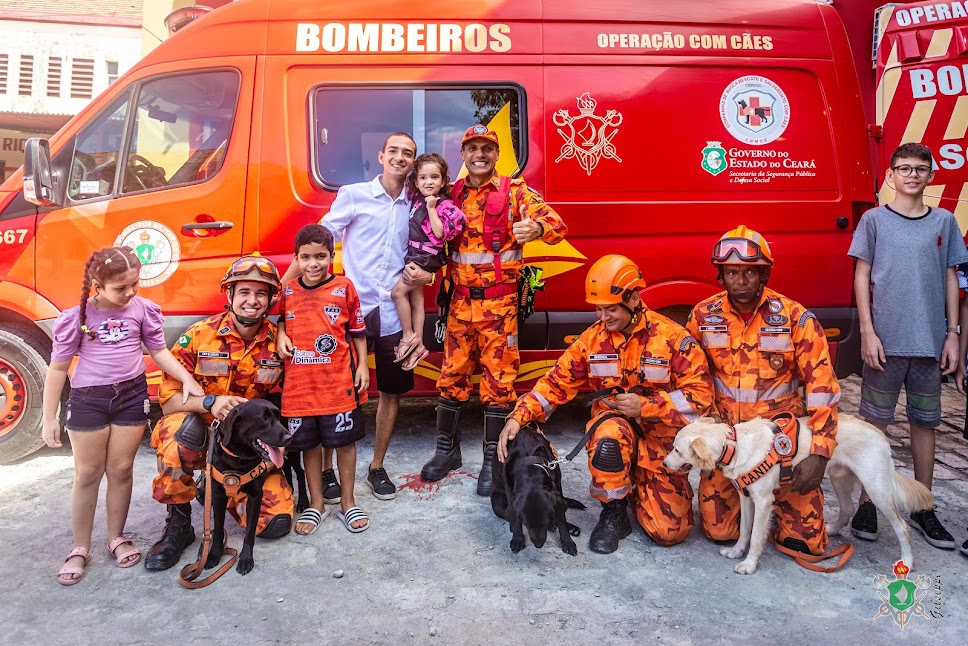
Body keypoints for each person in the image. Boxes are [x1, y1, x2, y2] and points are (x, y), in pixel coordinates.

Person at [498, 255, 714, 553]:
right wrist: (517, 417)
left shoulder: (673, 339)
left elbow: (700, 397)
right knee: (608, 440)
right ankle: (614, 511)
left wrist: (647, 406)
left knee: (669, 533)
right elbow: (554, 384)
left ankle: (642, 486)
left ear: (635, 299)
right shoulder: (592, 341)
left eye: (610, 309)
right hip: (615, 429)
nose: (603, 317)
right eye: (598, 309)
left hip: (661, 441)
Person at [42, 246, 204, 585]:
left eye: (135, 284)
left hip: (131, 396)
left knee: (120, 470)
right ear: (97, 285)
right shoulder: (78, 317)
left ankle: (116, 537)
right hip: (89, 400)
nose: (130, 293)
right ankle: (80, 547)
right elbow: (57, 369)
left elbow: (158, 351)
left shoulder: (143, 310)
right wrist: (49, 417)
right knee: (88, 473)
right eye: (121, 288)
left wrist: (187, 377)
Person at [421, 124, 568, 496]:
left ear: (497, 153)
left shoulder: (515, 191)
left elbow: (557, 225)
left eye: (487, 148)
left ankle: (492, 459)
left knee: (498, 385)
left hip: (499, 306)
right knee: (451, 376)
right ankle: (447, 451)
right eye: (472, 148)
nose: (480, 155)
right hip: (459, 303)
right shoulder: (450, 192)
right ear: (463, 154)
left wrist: (535, 228)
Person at [283, 132, 426, 502]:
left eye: (407, 154)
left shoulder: (417, 203)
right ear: (381, 156)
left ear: (412, 162)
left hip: (396, 312)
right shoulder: (354, 195)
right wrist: (280, 293)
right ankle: (329, 472)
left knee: (391, 393)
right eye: (393, 151)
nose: (399, 158)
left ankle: (377, 467)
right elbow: (317, 243)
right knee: (335, 392)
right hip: (347, 309)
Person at [686, 225, 841, 558]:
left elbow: (823, 389)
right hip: (727, 446)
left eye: (749, 272)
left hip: (781, 447)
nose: (740, 280)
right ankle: (753, 511)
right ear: (721, 275)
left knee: (803, 545)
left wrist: (819, 453)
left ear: (765, 274)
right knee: (719, 532)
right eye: (731, 272)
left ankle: (772, 509)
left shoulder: (796, 318)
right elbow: (690, 378)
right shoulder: (703, 316)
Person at [848, 142, 968, 550]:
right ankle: (867, 502)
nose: (912, 175)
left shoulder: (944, 222)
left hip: (929, 343)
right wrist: (867, 330)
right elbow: (862, 276)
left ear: (931, 175)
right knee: (873, 425)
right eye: (904, 168)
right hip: (885, 342)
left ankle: (923, 507)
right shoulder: (874, 221)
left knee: (925, 424)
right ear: (891, 177)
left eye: (920, 169)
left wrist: (952, 334)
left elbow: (952, 279)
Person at [144, 255, 295, 571]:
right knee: (176, 431)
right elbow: (168, 400)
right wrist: (208, 403)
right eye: (244, 292)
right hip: (201, 439)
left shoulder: (278, 345)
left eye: (260, 293)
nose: (252, 301)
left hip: (245, 452)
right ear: (229, 295)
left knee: (275, 523)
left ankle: (220, 494)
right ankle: (179, 523)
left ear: (270, 300)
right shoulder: (200, 335)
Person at [276, 225, 371, 534]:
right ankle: (316, 503)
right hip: (299, 390)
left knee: (344, 444)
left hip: (338, 385)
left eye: (320, 256)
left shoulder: (344, 288)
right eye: (305, 257)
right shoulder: (288, 291)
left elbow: (357, 332)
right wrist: (279, 335)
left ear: (332, 256)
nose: (313, 264)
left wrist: (363, 368)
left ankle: (347, 501)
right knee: (310, 447)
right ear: (296, 258)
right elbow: (279, 320)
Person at [391, 153, 466, 369]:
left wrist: (432, 208)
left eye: (434, 177)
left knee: (397, 293)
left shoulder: (442, 205)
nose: (428, 182)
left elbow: (440, 233)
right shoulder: (416, 197)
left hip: (426, 257)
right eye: (423, 178)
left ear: (443, 181)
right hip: (414, 254)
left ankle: (408, 337)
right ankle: (420, 345)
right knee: (417, 301)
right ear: (416, 181)